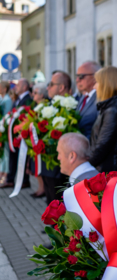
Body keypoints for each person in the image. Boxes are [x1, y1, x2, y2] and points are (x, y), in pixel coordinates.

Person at [90, 66, 117, 172]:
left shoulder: (112, 111)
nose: (94, 87)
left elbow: (102, 147)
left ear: (106, 84)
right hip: (105, 169)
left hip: (107, 172)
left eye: (97, 82)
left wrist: (85, 166)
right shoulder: (109, 108)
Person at [42, 71, 72, 204]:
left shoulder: (69, 108)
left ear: (61, 88)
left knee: (58, 205)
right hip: (47, 164)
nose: (48, 87)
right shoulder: (50, 105)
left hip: (59, 168)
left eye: (51, 84)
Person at [0, 79, 32, 189]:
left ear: (24, 87)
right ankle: (11, 179)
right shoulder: (18, 98)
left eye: (18, 85)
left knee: (22, 157)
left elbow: (27, 115)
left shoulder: (28, 99)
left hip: (21, 133)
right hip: (14, 133)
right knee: (14, 157)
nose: (15, 87)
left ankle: (24, 181)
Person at [29, 83, 48, 198]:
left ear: (41, 95)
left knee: (40, 164)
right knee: (35, 164)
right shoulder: (35, 106)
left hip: (40, 140)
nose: (33, 95)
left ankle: (42, 188)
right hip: (34, 140)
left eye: (35, 93)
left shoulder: (45, 106)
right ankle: (40, 187)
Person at [76, 61, 100, 139]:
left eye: (81, 76)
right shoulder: (84, 97)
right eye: (77, 76)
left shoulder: (100, 98)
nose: (77, 79)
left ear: (94, 77)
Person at [0, 81, 13, 184]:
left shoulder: (7, 100)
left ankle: (5, 172)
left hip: (5, 128)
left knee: (6, 152)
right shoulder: (2, 99)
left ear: (5, 89)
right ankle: (2, 171)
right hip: (1, 127)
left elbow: (6, 115)